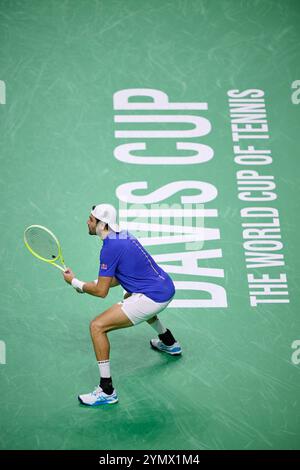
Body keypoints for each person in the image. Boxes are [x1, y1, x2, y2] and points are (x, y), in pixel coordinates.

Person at [63, 203, 181, 406]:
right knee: (129, 297)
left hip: (152, 297)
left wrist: (76, 283)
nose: (88, 222)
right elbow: (116, 278)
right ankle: (169, 342)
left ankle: (106, 390)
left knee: (97, 326)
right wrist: (86, 285)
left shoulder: (110, 248)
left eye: (91, 219)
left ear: (102, 224)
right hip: (165, 287)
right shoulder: (123, 236)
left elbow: (102, 291)